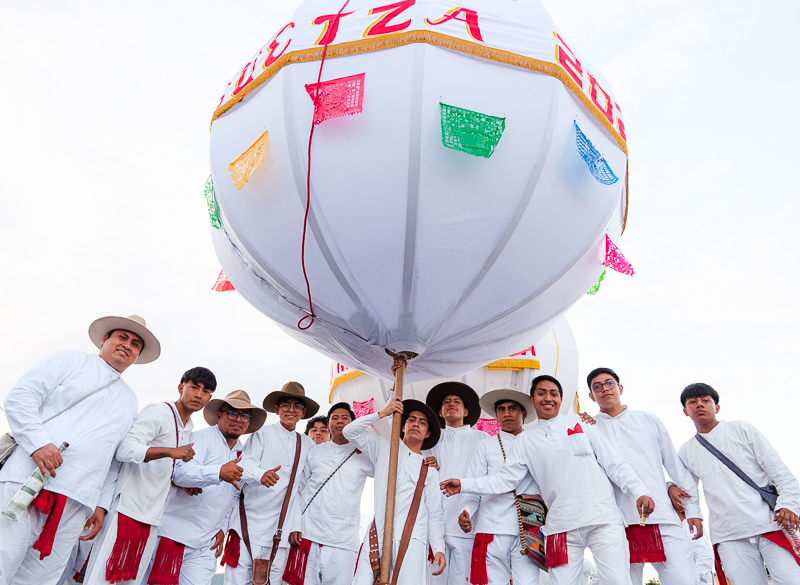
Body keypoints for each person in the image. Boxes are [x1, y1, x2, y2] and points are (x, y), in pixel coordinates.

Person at [441, 374, 654, 585]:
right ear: (533, 401)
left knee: (617, 581)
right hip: (561, 527)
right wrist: (464, 484)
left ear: (561, 398)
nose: (548, 398)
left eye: (553, 394)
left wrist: (640, 491)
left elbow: (614, 463)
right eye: (541, 394)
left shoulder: (581, 422)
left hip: (602, 518)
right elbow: (505, 480)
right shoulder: (525, 440)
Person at [0, 314, 160, 585]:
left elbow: (114, 458)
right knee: (3, 560)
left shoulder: (131, 401)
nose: (127, 345)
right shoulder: (71, 360)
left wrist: (101, 504)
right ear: (104, 338)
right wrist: (39, 444)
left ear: (137, 355)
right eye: (122, 337)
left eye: (135, 343)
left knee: (40, 580)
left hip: (78, 499)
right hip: (29, 480)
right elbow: (20, 397)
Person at [83, 366, 216, 585]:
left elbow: (163, 468)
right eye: (194, 387)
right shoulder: (159, 411)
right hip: (126, 508)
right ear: (181, 387)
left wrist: (178, 482)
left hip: (152, 516)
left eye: (206, 391)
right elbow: (124, 449)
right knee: (102, 578)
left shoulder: (188, 426)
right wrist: (169, 452)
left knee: (130, 581)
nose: (199, 395)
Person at [586, 367, 701, 585]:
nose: (605, 389)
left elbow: (674, 466)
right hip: (616, 523)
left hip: (662, 517)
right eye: (597, 387)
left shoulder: (648, 421)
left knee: (684, 580)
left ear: (620, 388)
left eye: (609, 383)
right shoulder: (588, 427)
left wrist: (693, 509)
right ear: (592, 396)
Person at [677, 382, 800, 584]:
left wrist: (788, 504)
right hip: (728, 534)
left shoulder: (741, 428)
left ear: (716, 407)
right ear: (685, 411)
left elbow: (779, 471)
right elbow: (687, 489)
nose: (699, 404)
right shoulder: (686, 450)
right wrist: (694, 516)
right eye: (693, 402)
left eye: (705, 400)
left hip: (770, 522)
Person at [143, 390, 267, 585]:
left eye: (244, 415)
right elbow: (179, 473)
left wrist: (222, 528)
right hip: (172, 533)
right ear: (219, 415)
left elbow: (234, 497)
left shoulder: (244, 453)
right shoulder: (199, 438)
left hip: (206, 543)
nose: (239, 419)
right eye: (232, 413)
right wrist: (218, 472)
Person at [344, 359, 446, 585]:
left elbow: (435, 513)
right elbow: (350, 431)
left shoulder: (428, 469)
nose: (415, 424)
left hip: (414, 538)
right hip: (379, 532)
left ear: (428, 433)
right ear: (402, 425)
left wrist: (438, 547)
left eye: (422, 422)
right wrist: (383, 413)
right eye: (411, 420)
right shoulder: (385, 447)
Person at [227, 382, 318, 585]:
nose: (291, 410)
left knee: (274, 581)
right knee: (237, 581)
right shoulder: (261, 434)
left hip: (281, 528)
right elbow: (245, 465)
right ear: (277, 409)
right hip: (248, 523)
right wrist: (261, 475)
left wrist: (296, 524)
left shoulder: (307, 444)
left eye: (297, 406)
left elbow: (300, 490)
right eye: (286, 404)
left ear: (303, 412)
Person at [284, 402, 375, 585]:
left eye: (344, 418)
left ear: (353, 424)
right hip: (308, 536)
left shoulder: (365, 455)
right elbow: (297, 489)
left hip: (343, 541)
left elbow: (391, 468)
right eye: (335, 418)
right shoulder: (315, 452)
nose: (339, 421)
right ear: (329, 425)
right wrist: (294, 524)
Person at [457, 388, 541, 585]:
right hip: (492, 527)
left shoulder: (537, 442)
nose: (507, 413)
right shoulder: (485, 446)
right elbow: (474, 485)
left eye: (512, 408)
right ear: (496, 416)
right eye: (501, 410)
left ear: (524, 413)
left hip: (529, 529)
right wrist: (466, 511)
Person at [424, 381, 487, 585]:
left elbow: (485, 480)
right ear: (440, 413)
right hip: (434, 525)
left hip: (468, 523)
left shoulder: (482, 439)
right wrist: (424, 464)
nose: (452, 404)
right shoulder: (431, 440)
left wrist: (470, 511)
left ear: (466, 411)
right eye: (446, 402)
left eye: (457, 401)